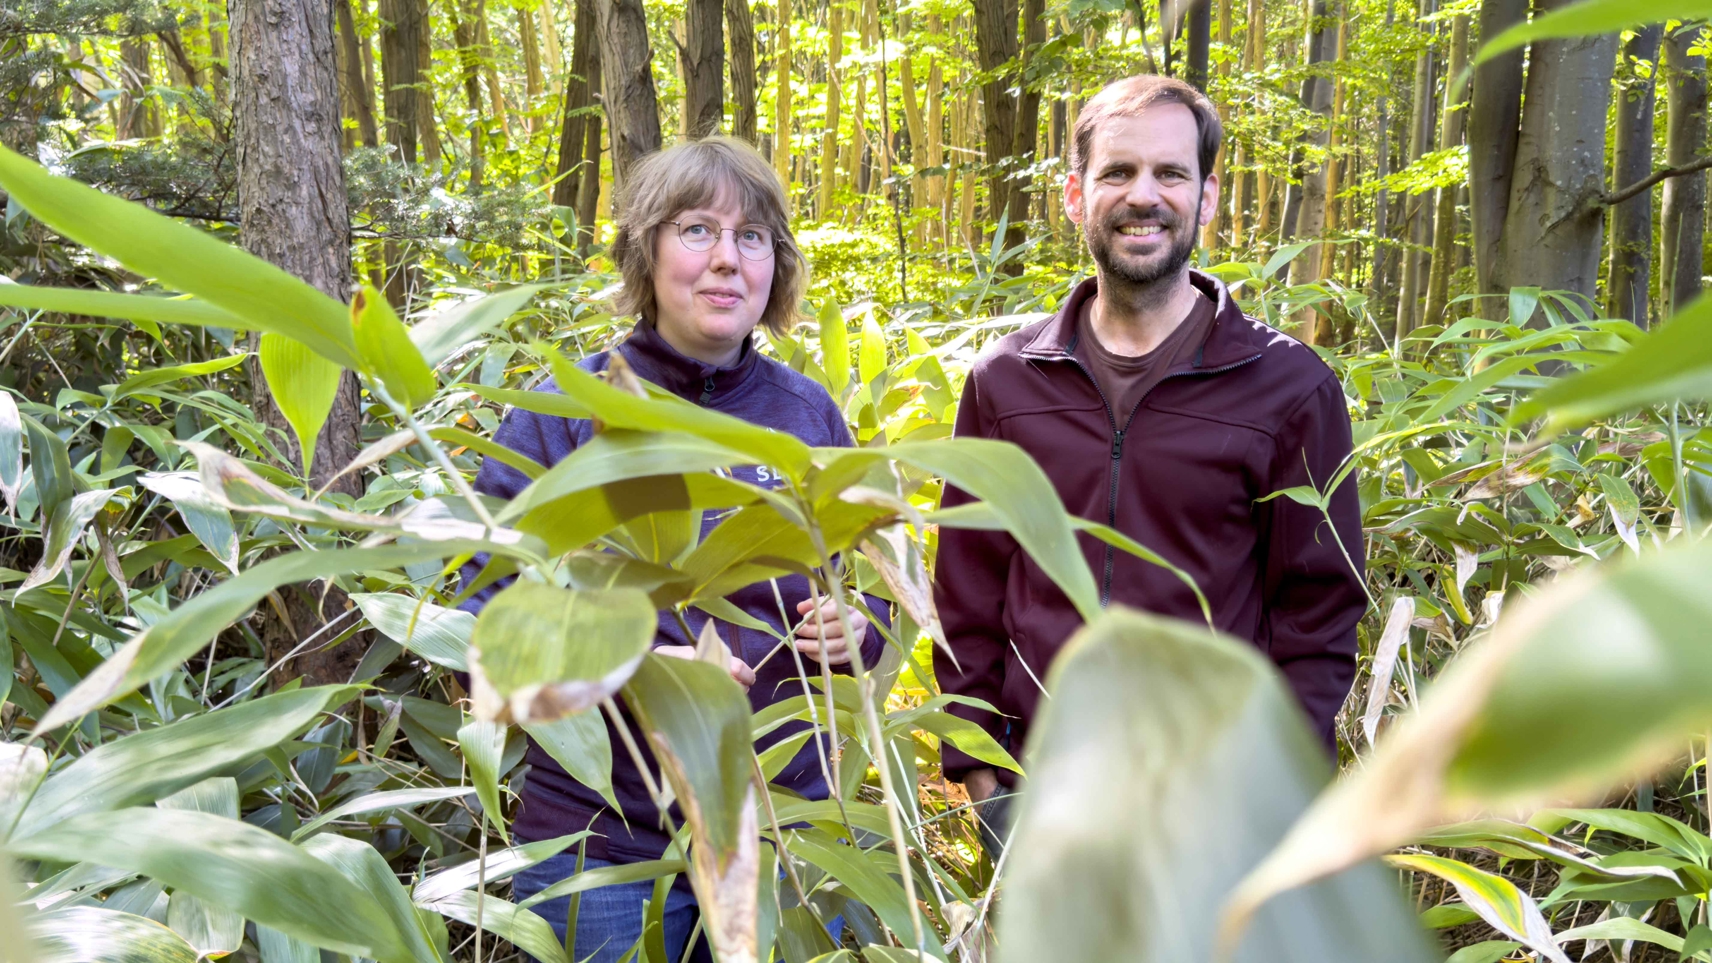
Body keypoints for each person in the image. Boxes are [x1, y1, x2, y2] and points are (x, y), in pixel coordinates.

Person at [461, 137, 884, 962]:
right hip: (604, 840)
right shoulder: (564, 410)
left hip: (782, 836)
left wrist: (853, 634)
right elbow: (487, 612)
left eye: (752, 236)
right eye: (697, 229)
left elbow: (861, 602)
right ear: (646, 249)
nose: (727, 259)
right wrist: (646, 667)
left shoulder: (808, 417)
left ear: (776, 266)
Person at [932, 75, 1363, 838]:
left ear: (1208, 197)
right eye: (1118, 173)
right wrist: (975, 760)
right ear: (1075, 195)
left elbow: (1319, 610)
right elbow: (968, 581)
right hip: (1039, 793)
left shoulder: (1289, 389)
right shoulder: (1005, 382)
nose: (1144, 195)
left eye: (1170, 173)